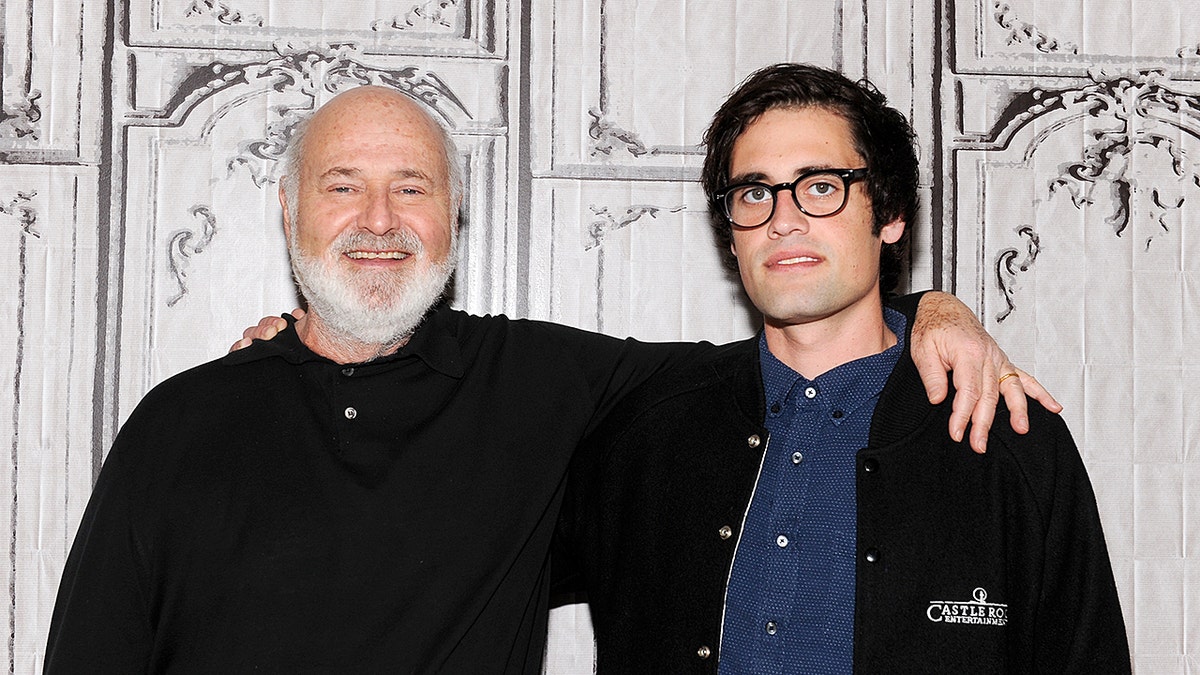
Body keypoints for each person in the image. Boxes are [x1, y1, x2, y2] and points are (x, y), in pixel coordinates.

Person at [45, 84, 1052, 673]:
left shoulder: (542, 385)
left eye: (413, 187)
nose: (380, 221)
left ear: (454, 214)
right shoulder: (181, 423)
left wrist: (931, 308)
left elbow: (804, 340)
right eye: (342, 186)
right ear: (289, 210)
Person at [557, 63, 1128, 673]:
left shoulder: (1009, 439)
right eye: (754, 192)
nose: (782, 220)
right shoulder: (647, 432)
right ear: (731, 236)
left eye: (821, 185)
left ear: (890, 215)